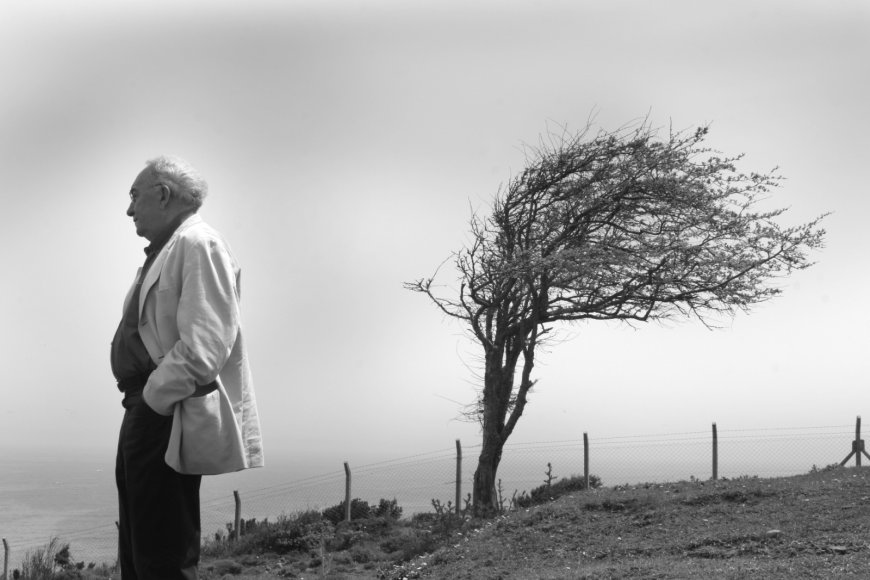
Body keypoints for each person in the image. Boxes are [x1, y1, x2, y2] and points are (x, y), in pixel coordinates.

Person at [111, 156, 263, 579]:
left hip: (160, 408)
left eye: (135, 196)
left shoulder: (199, 244)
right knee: (140, 545)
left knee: (161, 551)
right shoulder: (171, 249)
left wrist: (153, 402)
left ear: (162, 194)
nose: (129, 210)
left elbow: (205, 344)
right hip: (145, 406)